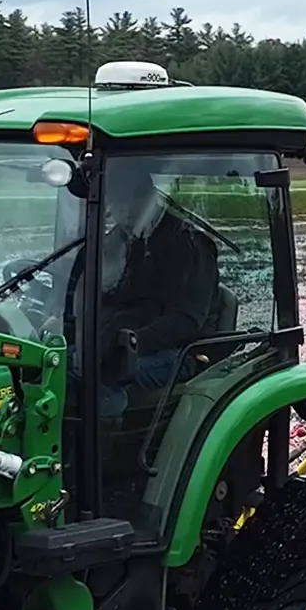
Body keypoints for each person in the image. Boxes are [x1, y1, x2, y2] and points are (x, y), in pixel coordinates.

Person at [96, 165, 219, 423]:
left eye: (126, 202)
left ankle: (103, 451)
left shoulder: (188, 245)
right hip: (120, 341)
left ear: (148, 199)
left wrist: (124, 346)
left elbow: (184, 321)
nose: (119, 210)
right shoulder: (118, 242)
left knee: (100, 376)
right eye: (114, 202)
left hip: (177, 352)